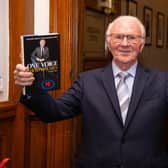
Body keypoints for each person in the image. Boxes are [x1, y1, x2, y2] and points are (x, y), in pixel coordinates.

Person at [14, 16, 168, 168]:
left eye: (132, 37)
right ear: (108, 43)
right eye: (118, 37)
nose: (125, 43)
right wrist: (30, 86)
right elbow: (53, 111)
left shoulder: (163, 81)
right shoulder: (87, 81)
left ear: (141, 45)